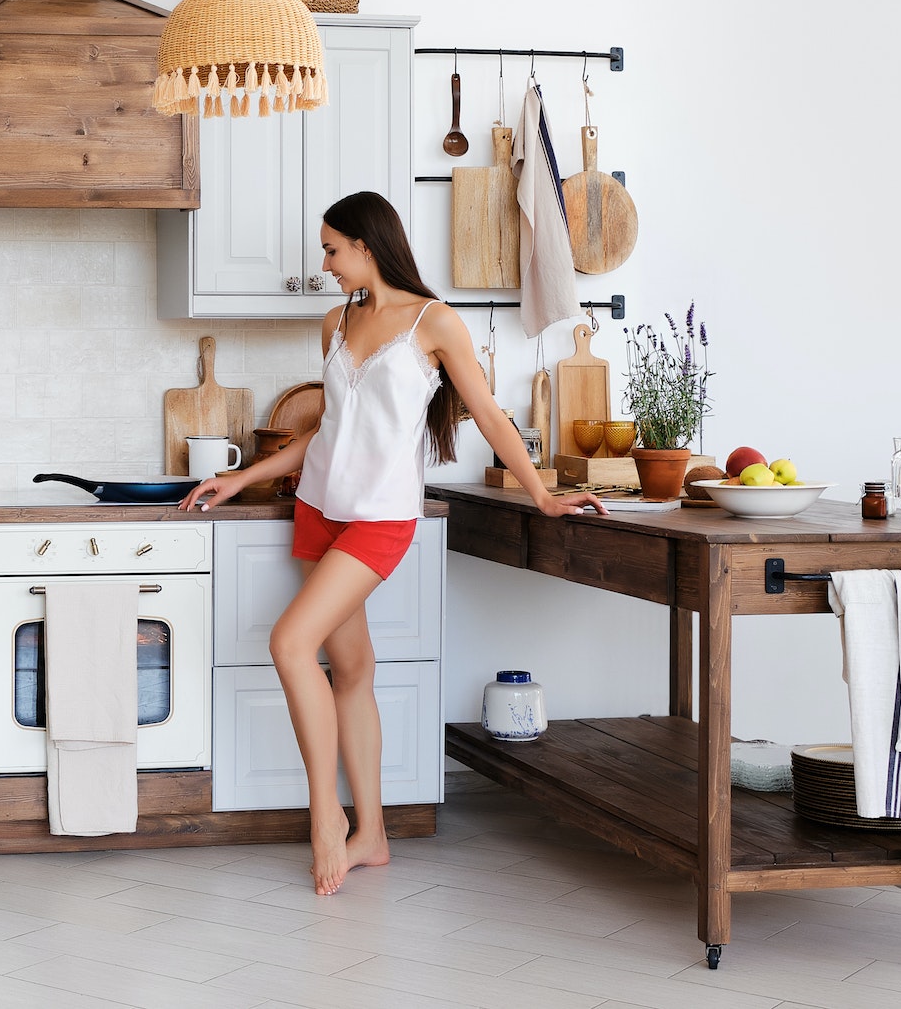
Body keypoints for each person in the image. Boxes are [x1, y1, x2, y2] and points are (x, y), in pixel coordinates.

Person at [181, 191, 606, 895]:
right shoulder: (336, 321)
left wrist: (542, 493)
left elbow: (490, 417)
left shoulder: (434, 324)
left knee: (290, 644)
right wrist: (241, 477)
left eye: (331, 249)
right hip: (320, 507)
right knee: (350, 669)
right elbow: (328, 433)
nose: (323, 264)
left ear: (367, 246)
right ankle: (371, 833)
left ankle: (327, 817)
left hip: (380, 517)